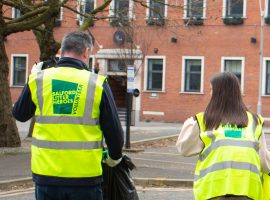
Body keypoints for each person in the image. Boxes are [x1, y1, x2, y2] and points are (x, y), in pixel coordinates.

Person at [12, 31, 124, 200]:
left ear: (61, 51)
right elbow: (114, 133)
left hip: (46, 176)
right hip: (85, 178)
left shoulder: (39, 80)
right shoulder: (97, 83)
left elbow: (19, 114)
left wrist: (31, 78)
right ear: (86, 52)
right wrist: (114, 158)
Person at [176, 72, 270, 200]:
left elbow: (184, 149)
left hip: (213, 190)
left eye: (211, 90)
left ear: (217, 93)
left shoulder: (203, 120)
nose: (209, 94)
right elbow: (264, 161)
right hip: (247, 189)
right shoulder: (254, 121)